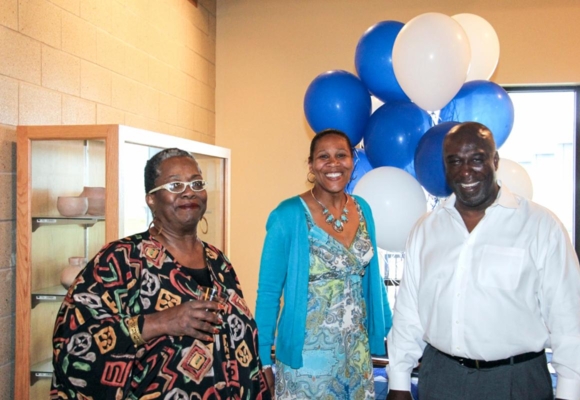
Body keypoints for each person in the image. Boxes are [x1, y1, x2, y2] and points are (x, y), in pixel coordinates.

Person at [386, 122, 580, 400]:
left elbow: (568, 319)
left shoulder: (541, 226)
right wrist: (398, 381)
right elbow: (408, 312)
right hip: (439, 379)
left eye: (476, 159)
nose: (465, 170)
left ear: (495, 160)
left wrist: (569, 393)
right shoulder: (426, 229)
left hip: (515, 382)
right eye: (455, 161)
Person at [50, 148, 271, 399]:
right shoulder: (122, 259)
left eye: (196, 183)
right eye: (175, 184)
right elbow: (72, 344)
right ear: (151, 199)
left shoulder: (218, 262)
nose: (189, 191)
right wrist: (160, 322)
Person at [255, 129, 392, 399]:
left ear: (353, 160)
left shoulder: (363, 209)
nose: (333, 163)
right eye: (323, 157)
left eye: (341, 155)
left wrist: (390, 334)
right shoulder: (287, 215)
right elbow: (268, 294)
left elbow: (373, 281)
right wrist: (263, 360)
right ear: (311, 164)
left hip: (356, 355)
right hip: (305, 361)